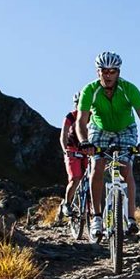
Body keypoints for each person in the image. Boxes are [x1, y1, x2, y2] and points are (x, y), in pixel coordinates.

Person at [77, 52, 140, 242]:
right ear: (98, 72)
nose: (108, 75)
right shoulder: (89, 90)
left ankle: (131, 218)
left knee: (126, 168)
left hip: (125, 130)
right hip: (99, 129)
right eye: (104, 71)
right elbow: (81, 121)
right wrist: (85, 142)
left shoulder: (129, 89)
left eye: (113, 71)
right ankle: (96, 217)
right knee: (97, 166)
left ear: (118, 72)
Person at [57, 93, 88, 221]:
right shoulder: (71, 116)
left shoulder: (92, 116)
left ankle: (92, 211)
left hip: (87, 151)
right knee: (75, 178)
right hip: (72, 150)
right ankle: (67, 204)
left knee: (93, 178)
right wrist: (66, 151)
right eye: (78, 103)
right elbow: (63, 135)